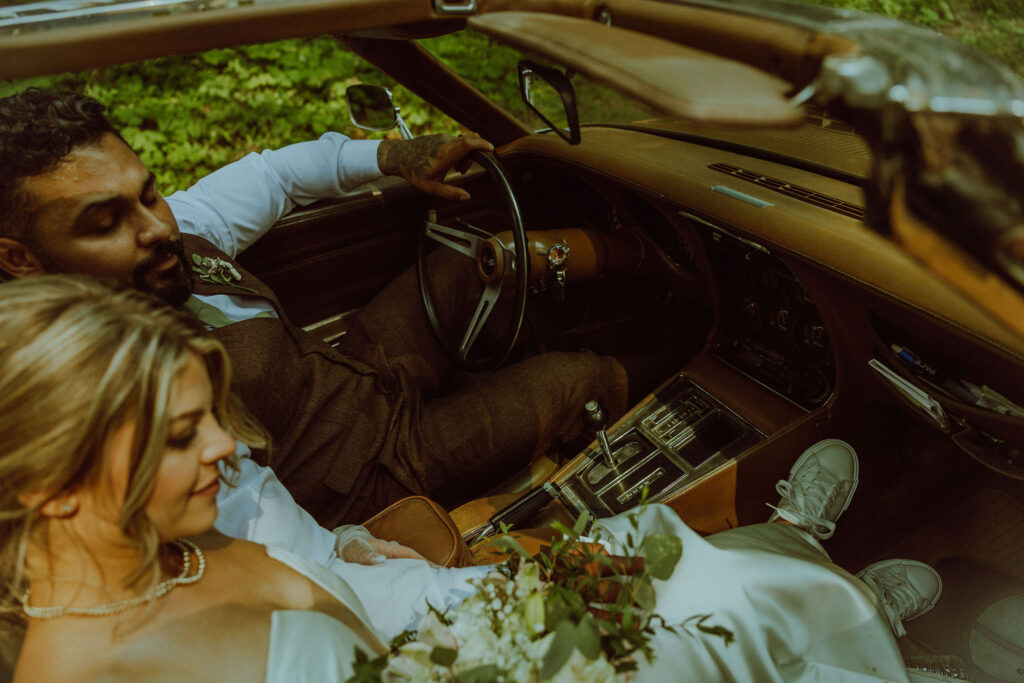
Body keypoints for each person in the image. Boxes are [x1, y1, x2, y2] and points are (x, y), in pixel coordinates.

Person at [1, 275, 942, 682]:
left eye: (214, 413)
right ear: (50, 483)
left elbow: (352, 631)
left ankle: (834, 603)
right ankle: (852, 628)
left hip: (448, 650)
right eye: (180, 435)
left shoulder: (183, 545)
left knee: (685, 564)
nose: (231, 447)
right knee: (721, 608)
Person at [0, 87, 630, 528]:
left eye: (149, 194)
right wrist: (349, 551)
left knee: (473, 264)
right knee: (581, 379)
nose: (158, 229)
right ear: (19, 258)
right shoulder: (81, 388)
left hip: (358, 375)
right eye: (105, 221)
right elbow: (243, 529)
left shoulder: (171, 232)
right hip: (369, 477)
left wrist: (392, 155)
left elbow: (274, 176)